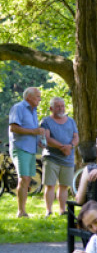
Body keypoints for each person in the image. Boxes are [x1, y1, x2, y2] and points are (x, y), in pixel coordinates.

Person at [7, 86, 44, 218]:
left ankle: (23, 210)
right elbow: (13, 128)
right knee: (24, 179)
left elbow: (33, 130)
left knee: (27, 180)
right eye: (37, 96)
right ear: (29, 97)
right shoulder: (19, 108)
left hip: (31, 149)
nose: (40, 99)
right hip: (20, 147)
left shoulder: (34, 111)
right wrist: (34, 132)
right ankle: (21, 211)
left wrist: (39, 140)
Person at [40, 96, 79, 217]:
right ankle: (49, 211)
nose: (61, 108)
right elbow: (46, 138)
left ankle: (62, 210)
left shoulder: (71, 121)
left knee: (64, 186)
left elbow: (76, 137)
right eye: (58, 106)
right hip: (51, 157)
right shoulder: (45, 121)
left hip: (68, 158)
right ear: (51, 108)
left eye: (62, 106)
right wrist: (63, 147)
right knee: (50, 185)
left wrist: (70, 146)